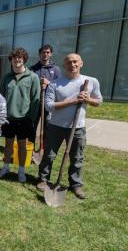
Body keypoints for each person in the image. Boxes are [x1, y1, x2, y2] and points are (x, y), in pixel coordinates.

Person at [37, 53, 102, 199]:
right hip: (56, 126)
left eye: (75, 62)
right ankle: (43, 179)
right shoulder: (55, 84)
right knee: (49, 155)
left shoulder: (91, 81)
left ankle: (76, 184)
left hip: (78, 126)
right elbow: (49, 106)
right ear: (64, 65)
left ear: (81, 63)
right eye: (68, 62)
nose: (72, 65)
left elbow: (98, 101)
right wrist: (72, 101)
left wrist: (88, 99)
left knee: (77, 157)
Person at [0, 48, 40, 183]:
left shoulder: (33, 77)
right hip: (8, 119)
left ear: (24, 60)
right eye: (15, 58)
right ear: (11, 60)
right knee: (8, 144)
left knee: (22, 146)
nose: (17, 60)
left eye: (20, 58)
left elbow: (35, 99)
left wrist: (31, 118)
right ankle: (5, 168)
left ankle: (21, 171)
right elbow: (1, 97)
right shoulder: (6, 77)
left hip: (24, 119)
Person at [29, 44, 62, 143]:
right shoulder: (32, 69)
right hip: (35, 102)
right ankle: (31, 148)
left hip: (48, 103)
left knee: (47, 126)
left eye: (48, 52)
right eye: (43, 52)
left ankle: (44, 149)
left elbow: (60, 86)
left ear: (51, 54)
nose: (45, 54)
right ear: (40, 54)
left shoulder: (56, 69)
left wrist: (49, 83)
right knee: (32, 126)